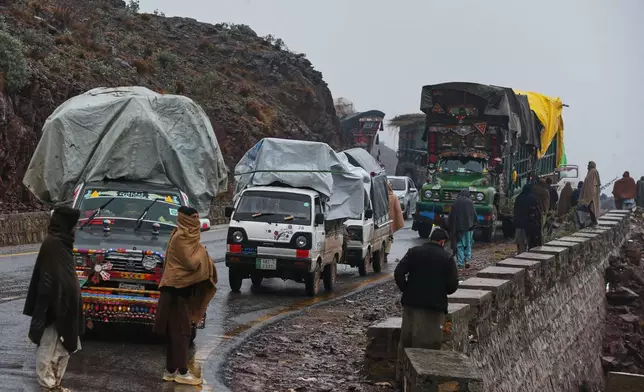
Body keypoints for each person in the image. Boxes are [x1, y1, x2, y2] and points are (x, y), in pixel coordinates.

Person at [154, 206, 217, 385]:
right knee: (182, 333)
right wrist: (203, 254)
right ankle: (181, 371)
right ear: (185, 219)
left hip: (179, 291)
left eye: (198, 217)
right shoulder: (182, 237)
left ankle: (170, 370)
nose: (196, 221)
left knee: (176, 332)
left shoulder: (186, 236)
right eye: (194, 217)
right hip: (175, 291)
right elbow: (191, 263)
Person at [23, 206, 83, 392]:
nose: (76, 229)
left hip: (64, 308)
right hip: (53, 308)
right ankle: (48, 385)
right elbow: (53, 280)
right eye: (74, 225)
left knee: (63, 350)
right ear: (67, 225)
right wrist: (59, 305)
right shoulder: (53, 244)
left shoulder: (62, 244)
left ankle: (55, 384)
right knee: (49, 349)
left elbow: (66, 278)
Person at [393, 227, 459, 382]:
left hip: (411, 305)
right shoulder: (447, 258)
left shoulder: (414, 252)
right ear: (442, 242)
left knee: (407, 343)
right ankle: (424, 382)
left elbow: (398, 273)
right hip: (434, 309)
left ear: (431, 239)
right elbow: (452, 285)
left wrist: (406, 289)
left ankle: (401, 378)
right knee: (428, 348)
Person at [449, 189, 478, 268]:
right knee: (468, 244)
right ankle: (467, 260)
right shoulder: (470, 202)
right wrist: (474, 224)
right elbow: (474, 215)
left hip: (458, 229)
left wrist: (451, 227)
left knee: (459, 245)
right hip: (469, 228)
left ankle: (461, 263)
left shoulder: (455, 202)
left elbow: (451, 216)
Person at [514, 183, 542, 253]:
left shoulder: (518, 198)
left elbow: (515, 211)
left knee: (521, 245)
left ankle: (520, 257)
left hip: (519, 225)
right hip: (529, 225)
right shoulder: (533, 199)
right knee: (531, 245)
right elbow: (538, 213)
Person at [385, 181, 405, 262]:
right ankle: (385, 254)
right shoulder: (394, 197)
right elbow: (398, 211)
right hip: (389, 222)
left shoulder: (378, 196)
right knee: (389, 238)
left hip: (379, 222)